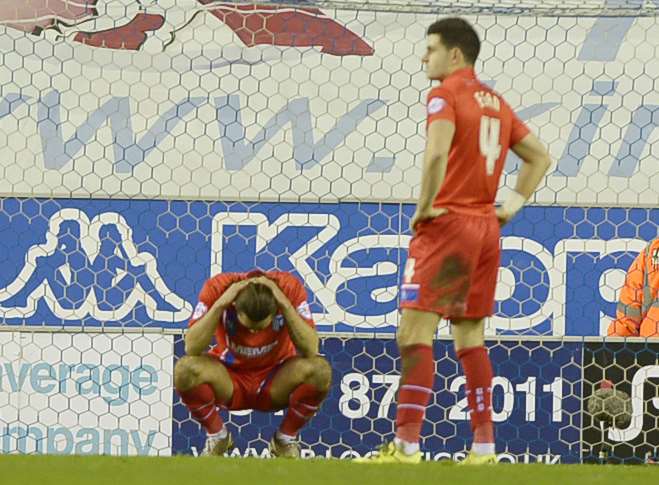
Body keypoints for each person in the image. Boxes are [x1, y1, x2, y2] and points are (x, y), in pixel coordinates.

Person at [357, 17, 552, 465]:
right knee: (469, 336)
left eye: (431, 49)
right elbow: (539, 156)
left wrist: (425, 206)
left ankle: (406, 446)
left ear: (456, 55)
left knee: (414, 331)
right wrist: (510, 207)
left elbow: (437, 152)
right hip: (486, 226)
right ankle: (484, 447)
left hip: (448, 223)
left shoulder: (445, 94)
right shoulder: (497, 103)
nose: (424, 58)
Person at [174, 269, 332, 458]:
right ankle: (218, 436)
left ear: (275, 312)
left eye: (260, 328)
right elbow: (191, 348)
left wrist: (285, 303)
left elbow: (311, 349)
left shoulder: (289, 287)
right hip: (229, 379)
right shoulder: (218, 287)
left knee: (320, 371)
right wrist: (221, 303)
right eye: (248, 328)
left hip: (276, 378)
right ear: (235, 307)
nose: (254, 335)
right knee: (185, 370)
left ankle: (285, 439)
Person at [607, 237, 659, 338]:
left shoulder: (653, 249)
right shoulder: (653, 249)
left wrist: (614, 349)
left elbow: (626, 320)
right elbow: (628, 317)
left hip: (649, 348)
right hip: (649, 349)